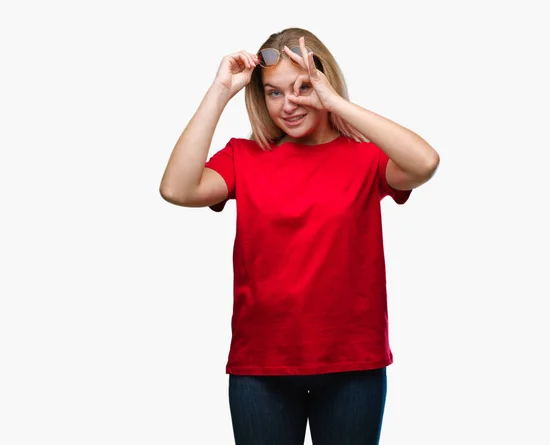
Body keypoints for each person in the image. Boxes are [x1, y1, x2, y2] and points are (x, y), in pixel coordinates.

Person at [160, 27, 439, 445]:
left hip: (352, 366)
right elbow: (177, 189)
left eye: (302, 88)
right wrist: (220, 91)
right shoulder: (244, 156)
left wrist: (336, 104)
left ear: (324, 84)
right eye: (274, 93)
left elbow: (425, 162)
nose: (288, 104)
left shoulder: (366, 158)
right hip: (262, 369)